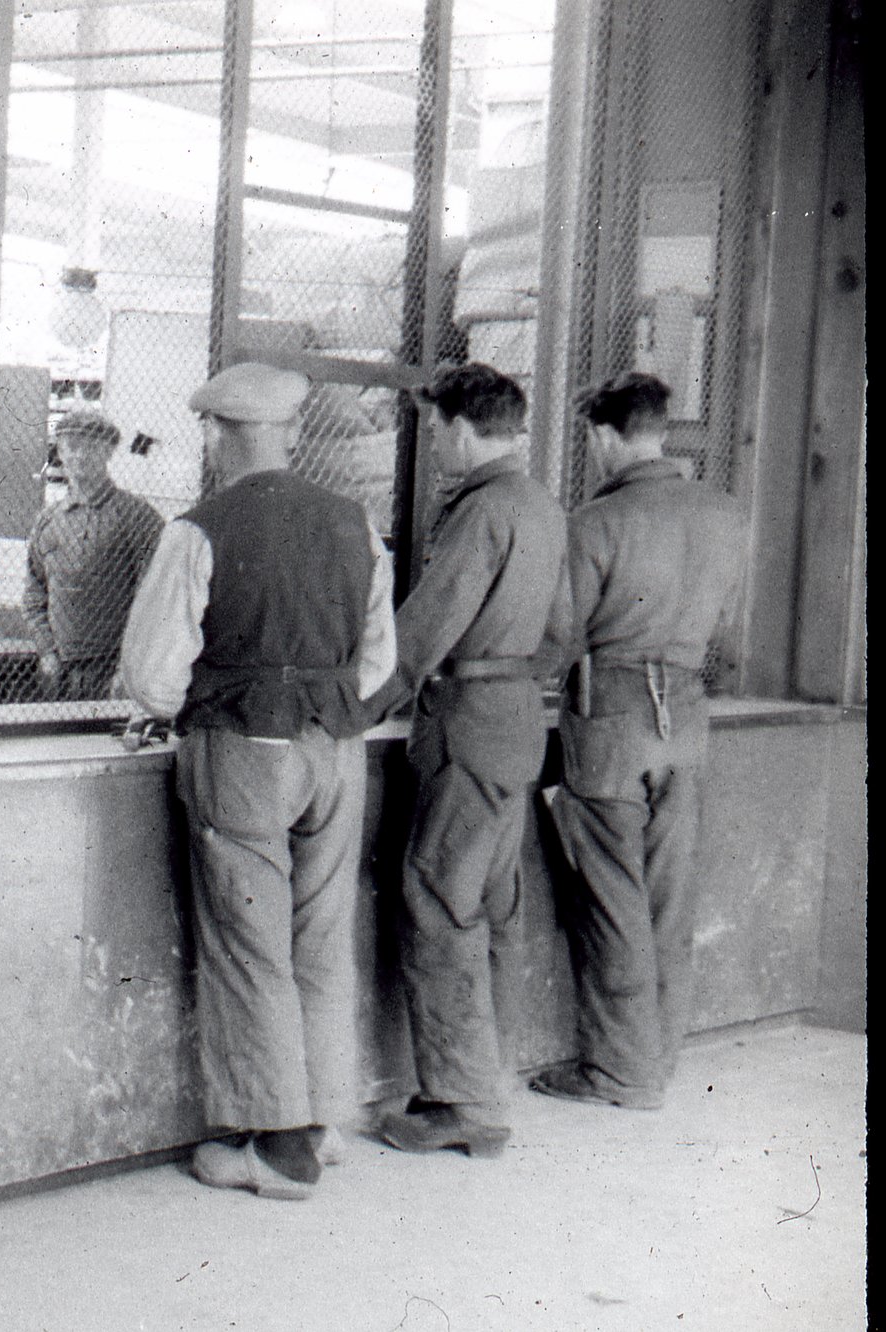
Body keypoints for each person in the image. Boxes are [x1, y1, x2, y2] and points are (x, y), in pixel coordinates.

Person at [119, 362, 396, 1200]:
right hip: (337, 754)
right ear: (293, 435)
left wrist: (186, 702)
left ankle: (276, 1150)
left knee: (249, 946)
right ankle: (321, 1119)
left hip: (242, 748)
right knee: (319, 935)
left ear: (213, 436)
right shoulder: (357, 524)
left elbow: (152, 675)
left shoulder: (198, 529)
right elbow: (379, 661)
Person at [531, 372, 748, 1110]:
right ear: (663, 426)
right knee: (669, 894)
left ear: (601, 436)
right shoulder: (724, 515)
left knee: (611, 894)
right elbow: (723, 623)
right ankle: (657, 1056)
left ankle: (621, 1073)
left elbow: (558, 635)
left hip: (612, 715)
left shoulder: (593, 523)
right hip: (687, 713)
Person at [374, 363, 566, 1159]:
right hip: (518, 723)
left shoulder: (482, 511)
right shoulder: (544, 505)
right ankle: (482, 1083)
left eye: (436, 430)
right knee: (492, 906)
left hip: (467, 726)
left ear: (456, 426)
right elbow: (563, 632)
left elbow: (424, 631)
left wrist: (357, 705)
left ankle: (462, 1105)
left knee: (439, 899)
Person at [23, 411, 163, 700]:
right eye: (72, 446)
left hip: (113, 671)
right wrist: (47, 651)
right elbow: (34, 594)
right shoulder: (47, 521)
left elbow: (153, 598)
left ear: (109, 451)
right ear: (60, 452)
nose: (81, 455)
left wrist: (128, 667)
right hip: (57, 672)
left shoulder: (137, 517)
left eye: (92, 446)